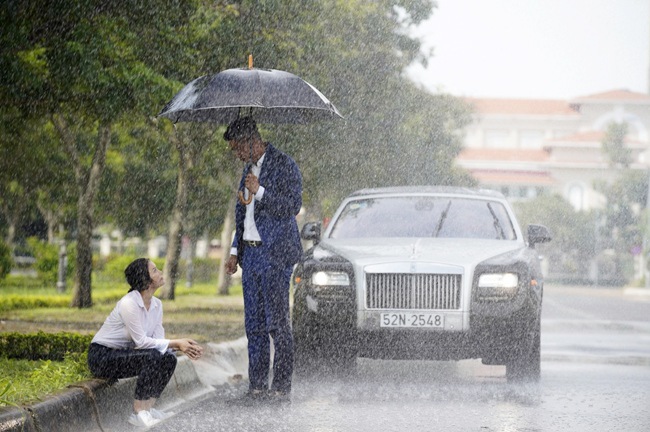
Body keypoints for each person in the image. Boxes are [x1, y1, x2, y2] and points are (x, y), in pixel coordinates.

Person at [224, 117, 303, 404]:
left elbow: (292, 206)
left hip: (276, 255)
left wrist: (261, 191)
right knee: (253, 324)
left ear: (251, 141)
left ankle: (280, 386)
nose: (237, 155)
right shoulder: (247, 170)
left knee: (277, 325)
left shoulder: (284, 164)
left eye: (237, 148)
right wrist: (235, 252)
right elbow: (242, 214)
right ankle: (257, 385)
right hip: (252, 256)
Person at [88, 258, 203, 428]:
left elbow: (158, 340)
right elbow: (141, 342)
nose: (161, 273)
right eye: (155, 270)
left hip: (124, 355)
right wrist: (177, 343)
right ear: (145, 280)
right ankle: (138, 412)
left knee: (168, 358)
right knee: (154, 355)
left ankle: (148, 408)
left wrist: (178, 346)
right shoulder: (129, 303)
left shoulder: (157, 304)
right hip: (102, 356)